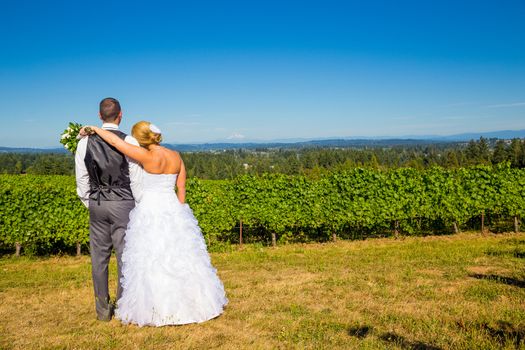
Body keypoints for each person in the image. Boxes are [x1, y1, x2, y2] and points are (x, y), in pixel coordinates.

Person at [80, 121, 228, 326]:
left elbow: (115, 141)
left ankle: (155, 307)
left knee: (151, 257)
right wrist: (179, 212)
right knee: (180, 257)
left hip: (150, 209)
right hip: (173, 208)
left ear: (140, 139)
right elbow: (181, 189)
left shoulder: (146, 156)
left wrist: (95, 129)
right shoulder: (176, 156)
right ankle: (192, 303)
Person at [75, 97, 143, 321]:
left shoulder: (84, 142)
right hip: (124, 203)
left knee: (99, 258)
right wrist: (138, 204)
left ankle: (103, 311)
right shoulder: (129, 140)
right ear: (120, 115)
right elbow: (136, 178)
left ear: (99, 116)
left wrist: (91, 201)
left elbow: (82, 178)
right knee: (125, 256)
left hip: (97, 203)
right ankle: (124, 306)